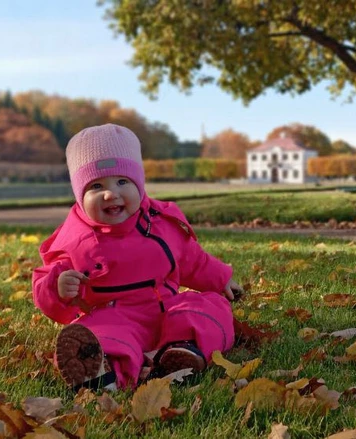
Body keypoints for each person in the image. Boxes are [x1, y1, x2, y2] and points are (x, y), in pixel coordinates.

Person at [32, 124, 241, 391]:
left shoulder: (160, 222)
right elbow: (44, 282)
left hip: (169, 308)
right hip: (116, 315)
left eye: (122, 181)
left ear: (139, 184)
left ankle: (182, 351)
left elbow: (192, 259)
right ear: (79, 195)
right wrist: (57, 287)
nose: (111, 194)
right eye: (96, 186)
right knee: (101, 333)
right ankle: (103, 371)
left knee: (209, 307)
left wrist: (221, 278)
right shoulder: (73, 240)